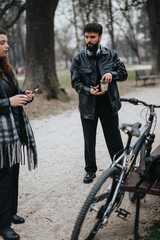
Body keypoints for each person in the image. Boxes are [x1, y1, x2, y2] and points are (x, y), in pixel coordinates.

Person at [70, 23, 128, 184]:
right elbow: (75, 83)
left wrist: (112, 74)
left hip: (109, 104)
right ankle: (90, 171)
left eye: (92, 37)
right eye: (87, 37)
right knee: (89, 140)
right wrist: (89, 90)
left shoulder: (111, 55)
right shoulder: (78, 59)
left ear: (100, 37)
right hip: (88, 106)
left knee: (114, 139)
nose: (89, 40)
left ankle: (119, 169)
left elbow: (124, 74)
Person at [0, 28, 38, 240]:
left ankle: (10, 212)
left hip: (13, 131)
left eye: (6, 42)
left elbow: (13, 94)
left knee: (13, 173)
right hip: (1, 136)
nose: (7, 45)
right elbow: (7, 100)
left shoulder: (6, 69)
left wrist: (24, 96)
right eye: (2, 42)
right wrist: (8, 103)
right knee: (4, 178)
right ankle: (3, 225)